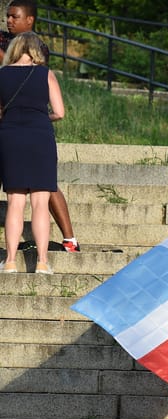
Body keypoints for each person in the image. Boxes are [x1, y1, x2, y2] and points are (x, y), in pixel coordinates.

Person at [0, 0, 78, 253]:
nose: (9, 20)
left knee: (44, 185)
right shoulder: (2, 40)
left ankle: (69, 237)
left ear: (29, 20)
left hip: (19, 123)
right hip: (15, 124)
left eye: (15, 16)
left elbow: (34, 82)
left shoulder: (37, 47)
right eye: (8, 16)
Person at [0, 31, 63, 274]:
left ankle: (11, 261)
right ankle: (43, 262)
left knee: (15, 202)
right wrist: (38, 117)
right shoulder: (45, 74)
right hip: (40, 137)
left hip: (10, 137)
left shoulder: (2, 74)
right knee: (40, 201)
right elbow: (59, 112)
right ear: (37, 50)